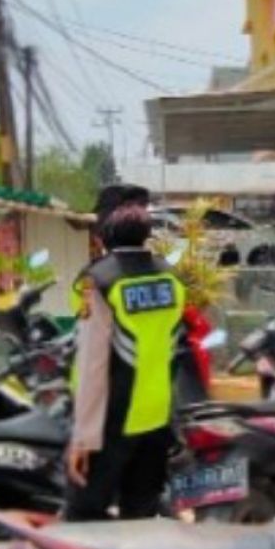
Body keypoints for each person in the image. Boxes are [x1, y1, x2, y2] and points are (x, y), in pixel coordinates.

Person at [63, 197, 185, 520]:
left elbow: (92, 365)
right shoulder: (172, 278)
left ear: (103, 238)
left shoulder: (98, 281)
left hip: (113, 421)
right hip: (158, 416)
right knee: (141, 519)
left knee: (83, 519)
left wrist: (83, 438)